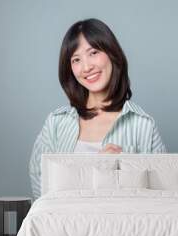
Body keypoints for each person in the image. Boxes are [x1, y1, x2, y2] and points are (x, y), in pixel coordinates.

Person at [29, 18, 166, 199]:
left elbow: (161, 194)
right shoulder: (56, 123)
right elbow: (42, 189)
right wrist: (95, 167)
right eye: (76, 59)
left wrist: (122, 171)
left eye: (93, 53)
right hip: (67, 224)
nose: (86, 67)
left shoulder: (143, 125)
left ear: (112, 53)